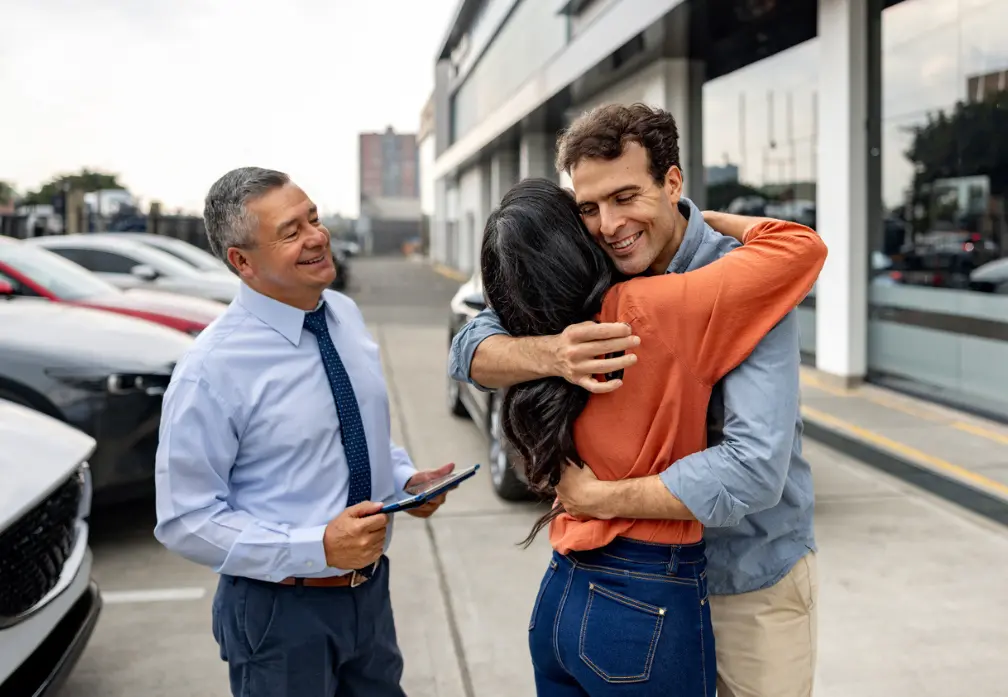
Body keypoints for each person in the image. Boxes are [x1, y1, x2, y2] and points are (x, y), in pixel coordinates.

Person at [449, 104, 822, 697]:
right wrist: (555, 353)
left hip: (746, 580)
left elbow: (754, 470)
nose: (608, 224)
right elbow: (469, 348)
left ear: (672, 182)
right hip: (629, 584)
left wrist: (598, 498)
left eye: (626, 197)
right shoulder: (596, 263)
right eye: (589, 207)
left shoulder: (745, 280)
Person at [154, 166, 454, 697]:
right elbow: (185, 519)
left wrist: (404, 481)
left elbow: (351, 432)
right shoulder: (212, 369)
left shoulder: (343, 314)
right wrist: (316, 547)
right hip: (280, 613)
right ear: (242, 262)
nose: (317, 237)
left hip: (368, 594)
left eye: (313, 218)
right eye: (291, 232)